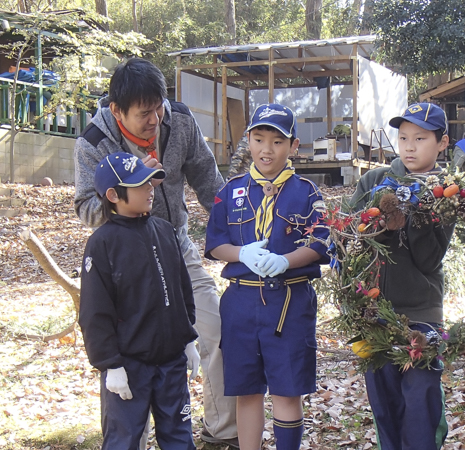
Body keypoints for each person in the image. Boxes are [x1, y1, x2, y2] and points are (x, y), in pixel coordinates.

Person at [73, 58, 238, 448]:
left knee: (214, 326)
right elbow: (85, 206)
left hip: (172, 241)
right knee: (126, 348)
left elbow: (208, 180)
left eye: (158, 108)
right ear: (117, 111)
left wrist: (240, 230)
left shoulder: (178, 121)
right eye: (144, 113)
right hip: (121, 254)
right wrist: (125, 192)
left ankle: (222, 432)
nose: (154, 119)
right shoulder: (94, 142)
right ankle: (126, 436)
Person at [204, 103, 330, 450]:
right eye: (259, 139)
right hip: (241, 301)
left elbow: (321, 241)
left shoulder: (306, 191)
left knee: (287, 387)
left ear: (293, 147)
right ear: (248, 141)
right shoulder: (230, 191)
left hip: (288, 300)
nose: (267, 149)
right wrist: (242, 253)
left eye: (277, 141)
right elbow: (216, 243)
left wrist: (286, 261)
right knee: (246, 389)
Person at [79, 152, 200, 449]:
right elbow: (94, 311)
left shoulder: (163, 230)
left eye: (150, 183)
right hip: (129, 367)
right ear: (113, 195)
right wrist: (110, 364)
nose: (150, 189)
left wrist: (188, 339)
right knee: (124, 439)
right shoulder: (102, 243)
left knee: (179, 437)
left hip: (171, 362)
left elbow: (181, 287)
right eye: (139, 185)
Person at [351, 102, 453, 450]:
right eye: (403, 137)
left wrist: (416, 213)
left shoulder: (448, 194)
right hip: (375, 312)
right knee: (385, 401)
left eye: (420, 138)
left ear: (442, 143)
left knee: (421, 397)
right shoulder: (374, 180)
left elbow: (428, 259)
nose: (409, 146)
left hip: (422, 314)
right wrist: (379, 224)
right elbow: (350, 237)